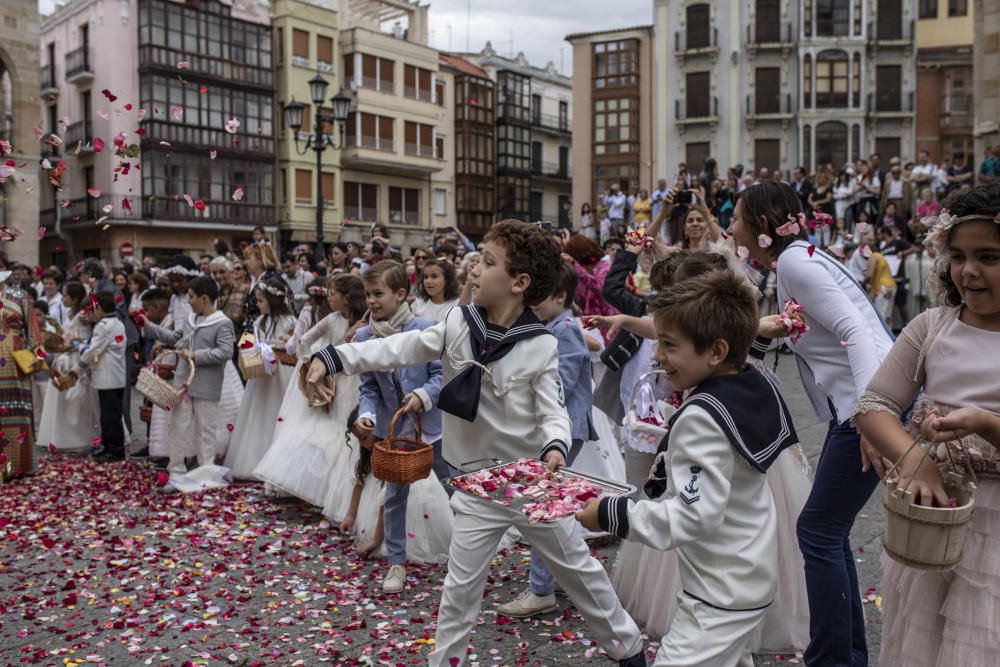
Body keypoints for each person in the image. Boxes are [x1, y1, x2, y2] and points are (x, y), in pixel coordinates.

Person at [304, 220, 646, 667]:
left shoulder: (541, 344)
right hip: (477, 484)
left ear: (519, 283)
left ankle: (630, 650)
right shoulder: (457, 323)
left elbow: (554, 409)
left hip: (530, 481)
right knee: (459, 592)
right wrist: (332, 357)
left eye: (487, 262)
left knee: (580, 571)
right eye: (476, 259)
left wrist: (556, 446)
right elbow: (400, 347)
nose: (473, 270)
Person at [578, 269, 798, 666]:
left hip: (721, 591)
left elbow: (694, 515)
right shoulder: (749, 382)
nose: (658, 355)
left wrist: (612, 514)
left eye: (668, 345)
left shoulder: (701, 417)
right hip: (745, 572)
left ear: (716, 351)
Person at [727, 180, 895, 666]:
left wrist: (871, 417)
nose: (730, 227)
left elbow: (855, 331)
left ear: (761, 227)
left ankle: (833, 659)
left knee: (818, 531)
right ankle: (844, 654)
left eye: (736, 218)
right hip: (865, 405)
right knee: (828, 530)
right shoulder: (798, 259)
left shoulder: (798, 262)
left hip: (866, 407)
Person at [854, 183, 1000, 667]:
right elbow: (874, 404)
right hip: (933, 516)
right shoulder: (932, 326)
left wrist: (984, 423)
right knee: (925, 642)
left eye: (989, 257)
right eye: (958, 256)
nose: (970, 272)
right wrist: (916, 459)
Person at [497, 263, 598, 618]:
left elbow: (561, 381)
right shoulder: (554, 325)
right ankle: (556, 576)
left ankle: (541, 590)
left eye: (538, 298)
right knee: (549, 504)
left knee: (543, 508)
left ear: (560, 297)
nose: (531, 304)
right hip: (560, 429)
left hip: (563, 430)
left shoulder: (565, 329)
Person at [344, 260, 448, 593]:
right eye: (367, 294)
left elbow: (440, 376)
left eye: (378, 294)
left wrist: (422, 396)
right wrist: (368, 416)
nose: (371, 301)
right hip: (394, 433)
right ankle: (396, 563)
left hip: (433, 428)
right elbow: (369, 388)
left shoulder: (425, 329)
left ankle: (468, 558)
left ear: (400, 294)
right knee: (393, 497)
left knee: (456, 492)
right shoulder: (363, 336)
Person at [255, 274, 366, 506]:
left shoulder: (366, 321)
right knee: (329, 429)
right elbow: (303, 341)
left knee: (347, 431)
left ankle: (342, 495)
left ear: (346, 298)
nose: (328, 297)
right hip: (334, 381)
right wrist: (310, 365)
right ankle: (320, 489)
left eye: (333, 293)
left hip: (356, 382)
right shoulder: (331, 320)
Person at [141, 276, 235, 490]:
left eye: (191, 297)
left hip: (207, 384)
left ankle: (207, 471)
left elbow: (226, 351)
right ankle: (176, 472)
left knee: (206, 428)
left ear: (204, 298)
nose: (188, 301)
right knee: (177, 426)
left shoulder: (222, 322)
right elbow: (175, 338)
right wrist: (149, 327)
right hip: (184, 383)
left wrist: (195, 355)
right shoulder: (191, 319)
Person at [225, 276, 296, 479]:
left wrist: (278, 347)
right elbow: (253, 342)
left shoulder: (290, 321)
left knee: (279, 413)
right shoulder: (259, 322)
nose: (258, 304)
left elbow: (293, 346)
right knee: (258, 414)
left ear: (273, 301)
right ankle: (253, 460)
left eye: (261, 300)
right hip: (261, 375)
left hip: (282, 372)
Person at [38, 281, 97, 452]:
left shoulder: (83, 315)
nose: (63, 299)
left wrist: (69, 346)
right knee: (60, 395)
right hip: (64, 357)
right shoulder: (70, 313)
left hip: (76, 358)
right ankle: (58, 436)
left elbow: (85, 339)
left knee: (76, 399)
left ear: (75, 298)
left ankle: (79, 438)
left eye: (65, 296)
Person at [70, 291, 127, 462]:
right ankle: (108, 446)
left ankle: (115, 450)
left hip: (108, 377)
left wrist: (79, 347)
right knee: (108, 415)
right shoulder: (116, 323)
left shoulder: (103, 326)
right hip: (113, 376)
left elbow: (92, 353)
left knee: (111, 417)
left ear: (99, 308)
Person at [242, 243, 283, 336]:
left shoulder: (270, 282)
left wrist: (245, 345)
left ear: (261, 260)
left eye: (248, 259)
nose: (245, 262)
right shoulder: (257, 280)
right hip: (255, 335)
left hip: (268, 336)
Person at [411, 258, 459, 324]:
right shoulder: (418, 303)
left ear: (447, 280)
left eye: (434, 277)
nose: (428, 281)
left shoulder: (456, 305)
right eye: (426, 277)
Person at [211, 257, 247, 333]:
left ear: (231, 272)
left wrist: (245, 345)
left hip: (240, 341)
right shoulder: (213, 293)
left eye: (222, 272)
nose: (218, 276)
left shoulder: (245, 290)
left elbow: (251, 323)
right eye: (214, 273)